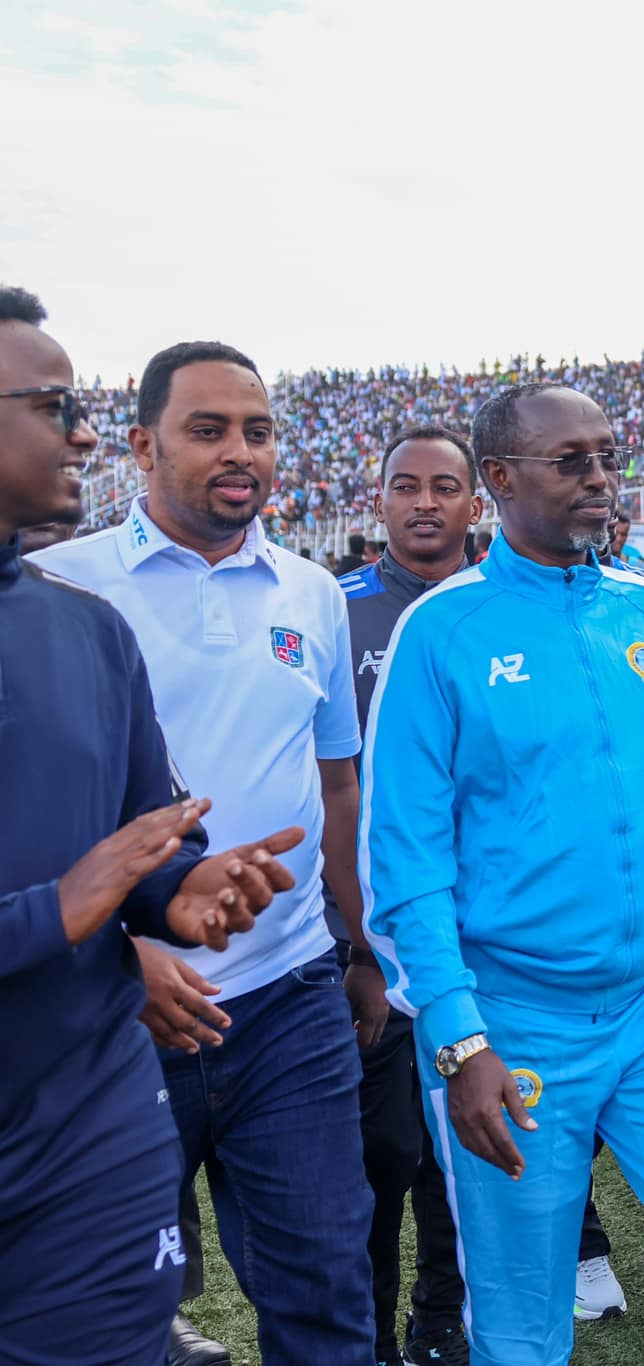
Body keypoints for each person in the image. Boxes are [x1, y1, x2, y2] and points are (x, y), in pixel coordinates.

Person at [362, 381, 644, 1366]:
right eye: (570, 460)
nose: (600, 478)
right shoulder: (441, 633)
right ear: (497, 479)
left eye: (606, 455)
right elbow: (403, 853)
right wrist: (456, 1038)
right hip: (514, 1022)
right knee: (521, 1320)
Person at [36, 340, 383, 1363]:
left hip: (288, 996)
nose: (241, 452)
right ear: (142, 444)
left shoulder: (314, 591)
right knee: (115, 1312)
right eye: (208, 429)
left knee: (327, 1287)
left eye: (259, 430)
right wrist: (111, 954)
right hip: (116, 1008)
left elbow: (335, 787)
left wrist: (357, 948)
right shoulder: (60, 586)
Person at [0, 285, 302, 1366]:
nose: (81, 431)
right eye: (50, 403)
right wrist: (53, 913)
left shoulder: (83, 629)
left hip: (89, 1125)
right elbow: (72, 892)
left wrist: (176, 889)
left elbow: (143, 831)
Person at [336, 426, 482, 1362]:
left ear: (479, 500)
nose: (424, 502)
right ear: (377, 500)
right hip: (369, 943)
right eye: (405, 486)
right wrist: (354, 941)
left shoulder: (505, 607)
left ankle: (441, 1321)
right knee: (379, 1156)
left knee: (461, 1156)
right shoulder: (333, 609)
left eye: (444, 486)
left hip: (484, 935)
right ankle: (371, 1332)